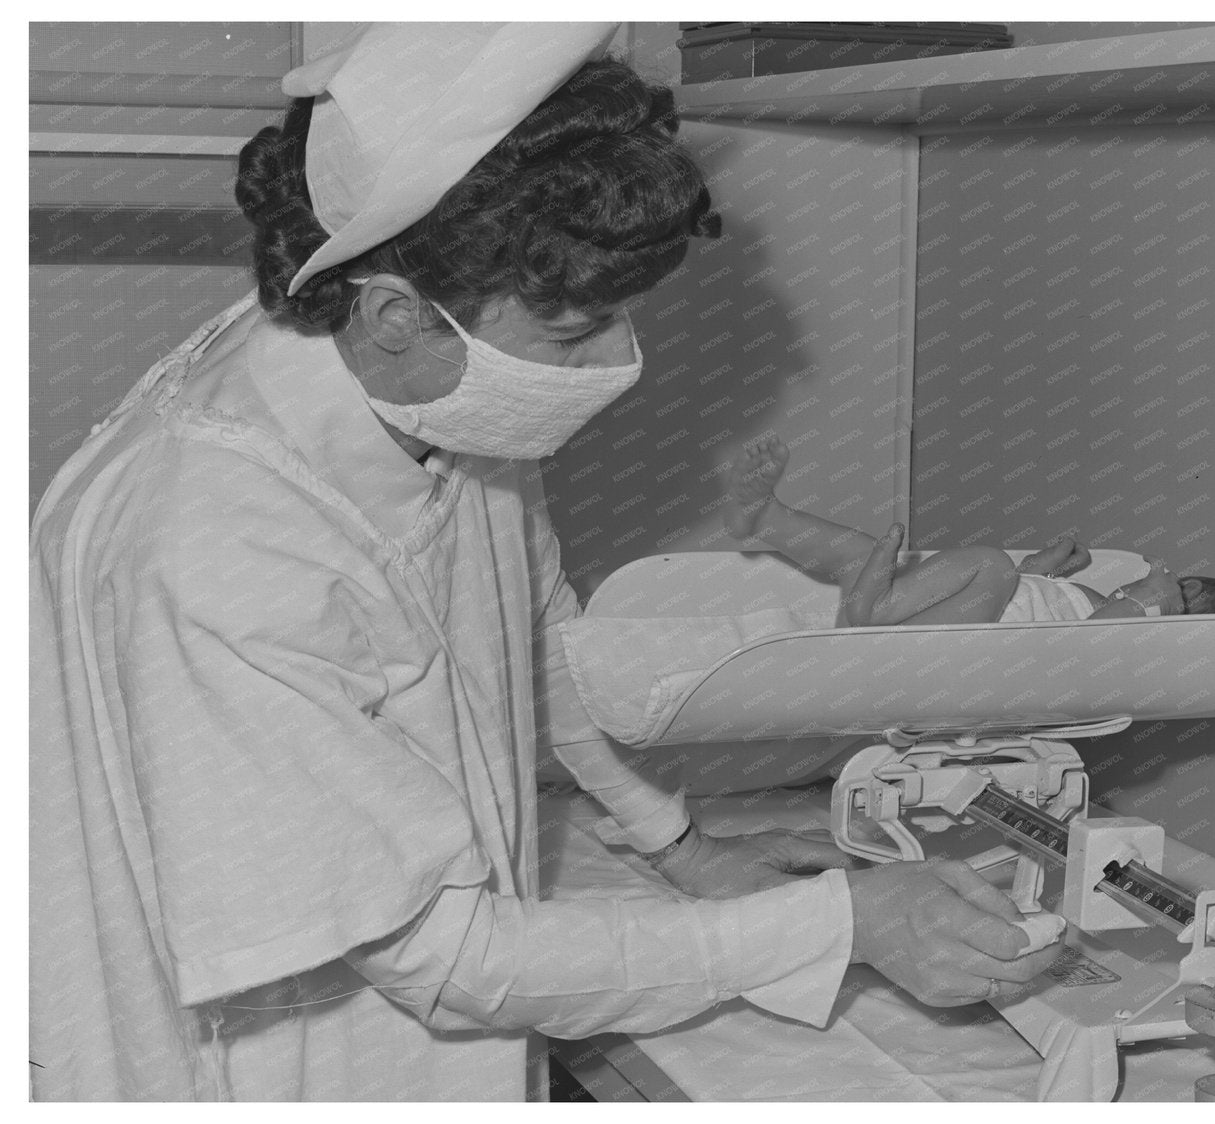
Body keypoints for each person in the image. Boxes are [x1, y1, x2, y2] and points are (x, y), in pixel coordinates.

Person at [30, 24, 1060, 1102]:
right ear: (393, 315)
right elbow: (446, 954)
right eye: (574, 334)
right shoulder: (219, 552)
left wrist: (684, 847)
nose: (618, 366)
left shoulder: (430, 391)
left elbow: (536, 646)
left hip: (433, 995)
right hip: (277, 1050)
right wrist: (836, 925)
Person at [723, 434, 1215, 627]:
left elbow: (1076, 641)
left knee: (990, 564)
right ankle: (769, 519)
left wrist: (1143, 606)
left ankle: (876, 607)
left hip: (935, 637)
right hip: (930, 613)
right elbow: (1030, 594)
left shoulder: (1120, 631)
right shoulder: (1090, 602)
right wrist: (1048, 568)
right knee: (858, 553)